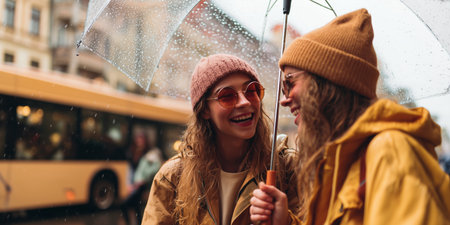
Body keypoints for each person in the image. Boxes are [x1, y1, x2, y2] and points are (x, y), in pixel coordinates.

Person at [249, 8, 450, 225]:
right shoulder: (341, 162)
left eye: (290, 83)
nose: (284, 100)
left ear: (327, 82)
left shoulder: (389, 151)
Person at [141, 54, 299, 225]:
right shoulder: (172, 178)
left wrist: (286, 222)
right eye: (227, 96)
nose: (245, 102)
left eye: (251, 90)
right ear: (204, 110)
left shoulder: (288, 167)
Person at [121, 133, 163, 225]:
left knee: (125, 204)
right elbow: (131, 169)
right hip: (135, 184)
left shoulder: (150, 154)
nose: (139, 142)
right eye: (138, 140)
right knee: (136, 206)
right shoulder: (134, 152)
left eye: (141, 140)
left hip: (142, 184)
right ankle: (139, 223)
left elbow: (155, 168)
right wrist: (129, 184)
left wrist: (143, 179)